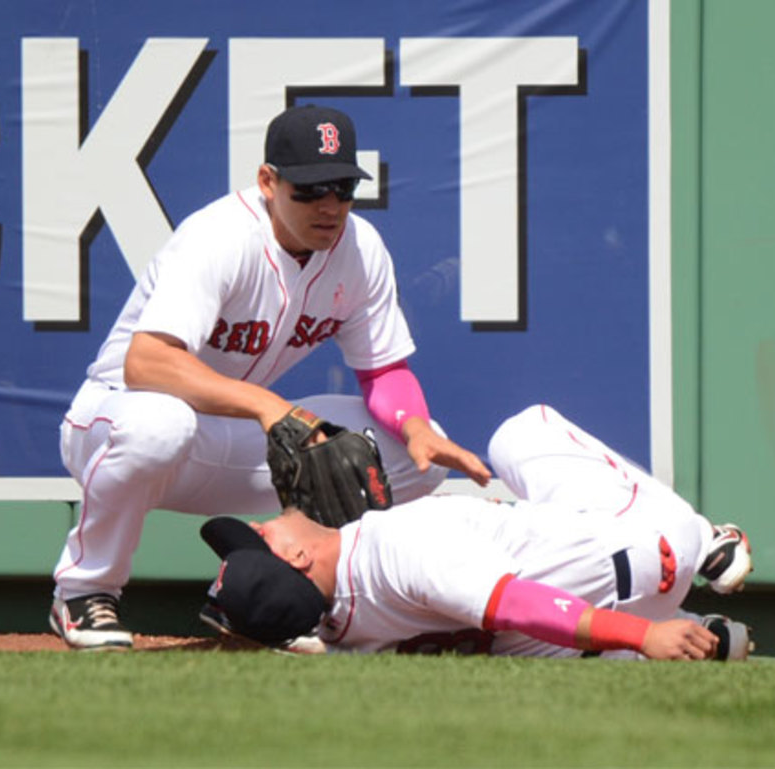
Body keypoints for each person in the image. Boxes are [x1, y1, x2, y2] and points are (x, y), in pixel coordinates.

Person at [49, 104, 492, 650]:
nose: (329, 206)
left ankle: (312, 603)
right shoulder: (220, 236)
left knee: (409, 459)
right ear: (268, 181)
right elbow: (146, 363)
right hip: (117, 416)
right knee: (160, 427)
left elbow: (383, 369)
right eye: (309, 189)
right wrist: (266, 405)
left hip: (225, 438)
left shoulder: (360, 249)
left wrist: (416, 424)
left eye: (342, 188)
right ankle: (84, 591)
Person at [199, 403, 755, 660]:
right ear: (296, 558)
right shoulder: (399, 545)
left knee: (509, 601)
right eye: (263, 540)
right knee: (520, 432)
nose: (258, 526)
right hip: (645, 557)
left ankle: (701, 632)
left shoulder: (340, 630)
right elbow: (516, 604)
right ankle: (707, 541)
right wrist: (645, 636)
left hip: (583, 638)